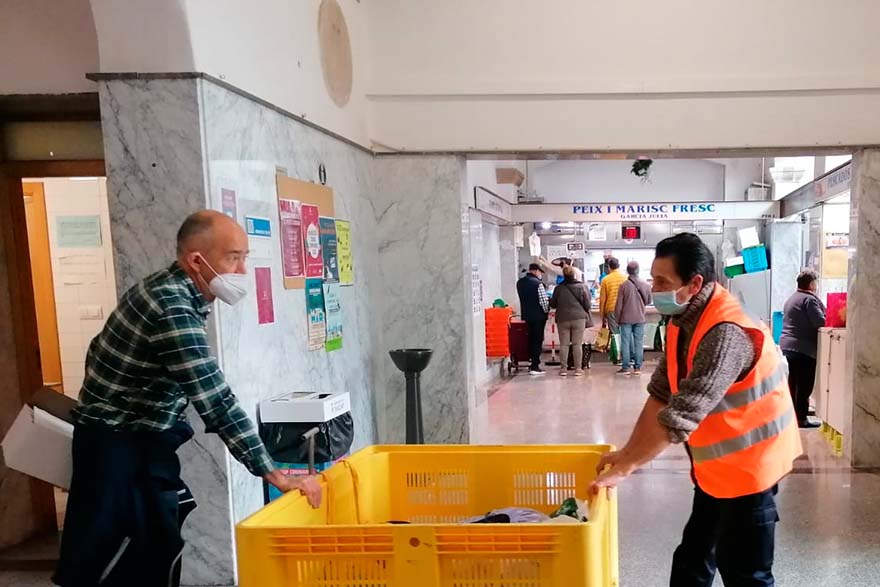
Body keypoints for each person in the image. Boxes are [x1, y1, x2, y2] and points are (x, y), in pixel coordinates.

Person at [55, 211, 322, 587]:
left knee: (157, 541)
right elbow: (216, 400)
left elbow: (99, 351)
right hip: (118, 445)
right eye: (233, 257)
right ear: (197, 260)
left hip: (139, 437)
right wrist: (274, 474)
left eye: (244, 257)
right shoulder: (171, 306)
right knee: (112, 553)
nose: (243, 270)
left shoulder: (175, 290)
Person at [591, 233, 801, 587]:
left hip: (752, 470)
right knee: (692, 561)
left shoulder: (725, 332)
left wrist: (629, 467)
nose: (653, 288)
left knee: (746, 573)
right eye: (653, 277)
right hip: (716, 471)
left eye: (662, 281)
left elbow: (682, 415)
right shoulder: (683, 321)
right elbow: (661, 394)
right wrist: (627, 451)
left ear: (695, 283)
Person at [780, 269, 826, 428]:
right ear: (812, 284)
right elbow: (819, 321)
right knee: (804, 385)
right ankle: (801, 419)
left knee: (794, 384)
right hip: (803, 349)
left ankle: (793, 417)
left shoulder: (792, 298)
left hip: (787, 346)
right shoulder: (809, 300)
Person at [549, 265, 593, 377]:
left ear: (563, 275)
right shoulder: (582, 287)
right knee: (577, 344)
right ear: (574, 274)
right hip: (579, 318)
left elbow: (553, 304)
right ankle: (578, 369)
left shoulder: (558, 288)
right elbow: (587, 305)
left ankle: (563, 369)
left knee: (564, 345)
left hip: (562, 318)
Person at [615, 261, 652, 375]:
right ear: (638, 270)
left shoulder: (623, 285)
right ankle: (637, 367)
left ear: (627, 271)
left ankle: (625, 367)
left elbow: (619, 304)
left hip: (625, 318)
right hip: (640, 318)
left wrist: (617, 318)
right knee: (639, 343)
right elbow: (649, 301)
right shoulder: (646, 285)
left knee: (625, 342)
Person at [517, 263, 550, 375]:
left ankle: (531, 361)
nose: (540, 274)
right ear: (535, 271)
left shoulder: (520, 283)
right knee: (537, 340)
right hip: (539, 317)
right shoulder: (538, 284)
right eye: (540, 272)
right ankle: (535, 366)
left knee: (530, 339)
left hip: (527, 316)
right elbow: (544, 302)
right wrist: (547, 312)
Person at [599, 256, 626, 332]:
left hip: (611, 309)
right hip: (624, 309)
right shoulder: (625, 278)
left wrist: (602, 316)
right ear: (619, 266)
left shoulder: (605, 280)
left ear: (608, 266)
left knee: (614, 335)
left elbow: (602, 300)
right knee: (625, 334)